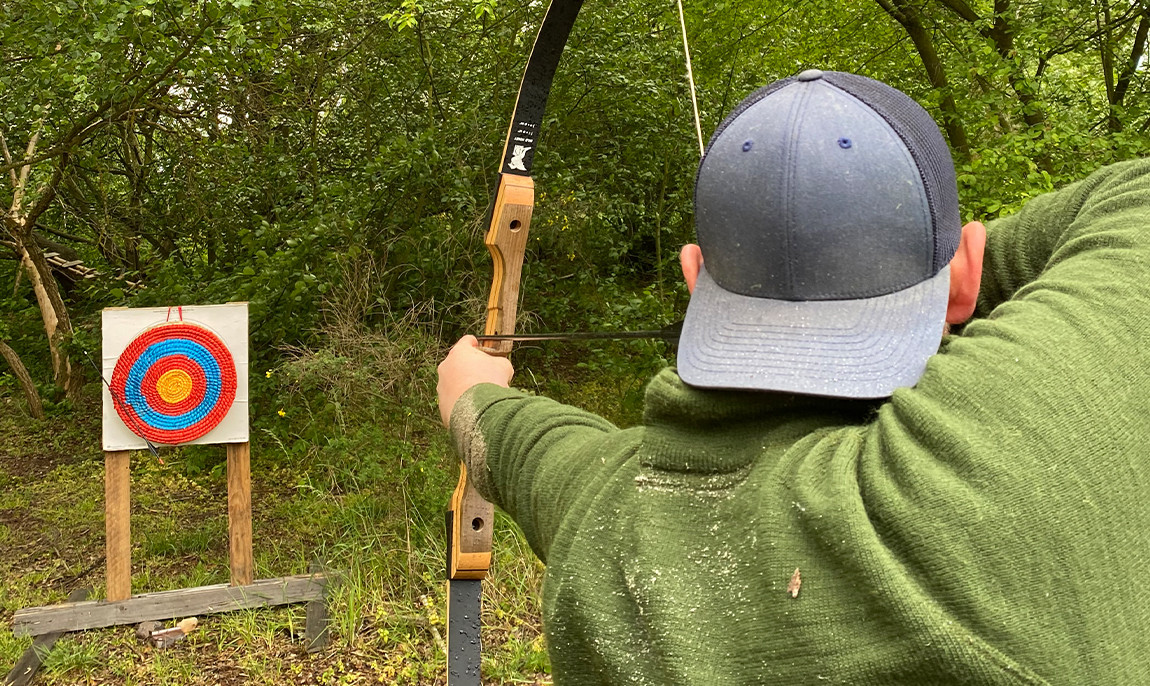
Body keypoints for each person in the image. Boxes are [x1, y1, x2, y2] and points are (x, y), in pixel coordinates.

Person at [437, 69, 1150, 685]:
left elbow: (521, 436)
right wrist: (937, 285)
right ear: (964, 276)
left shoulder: (604, 513)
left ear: (694, 278)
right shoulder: (1002, 459)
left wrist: (472, 391)